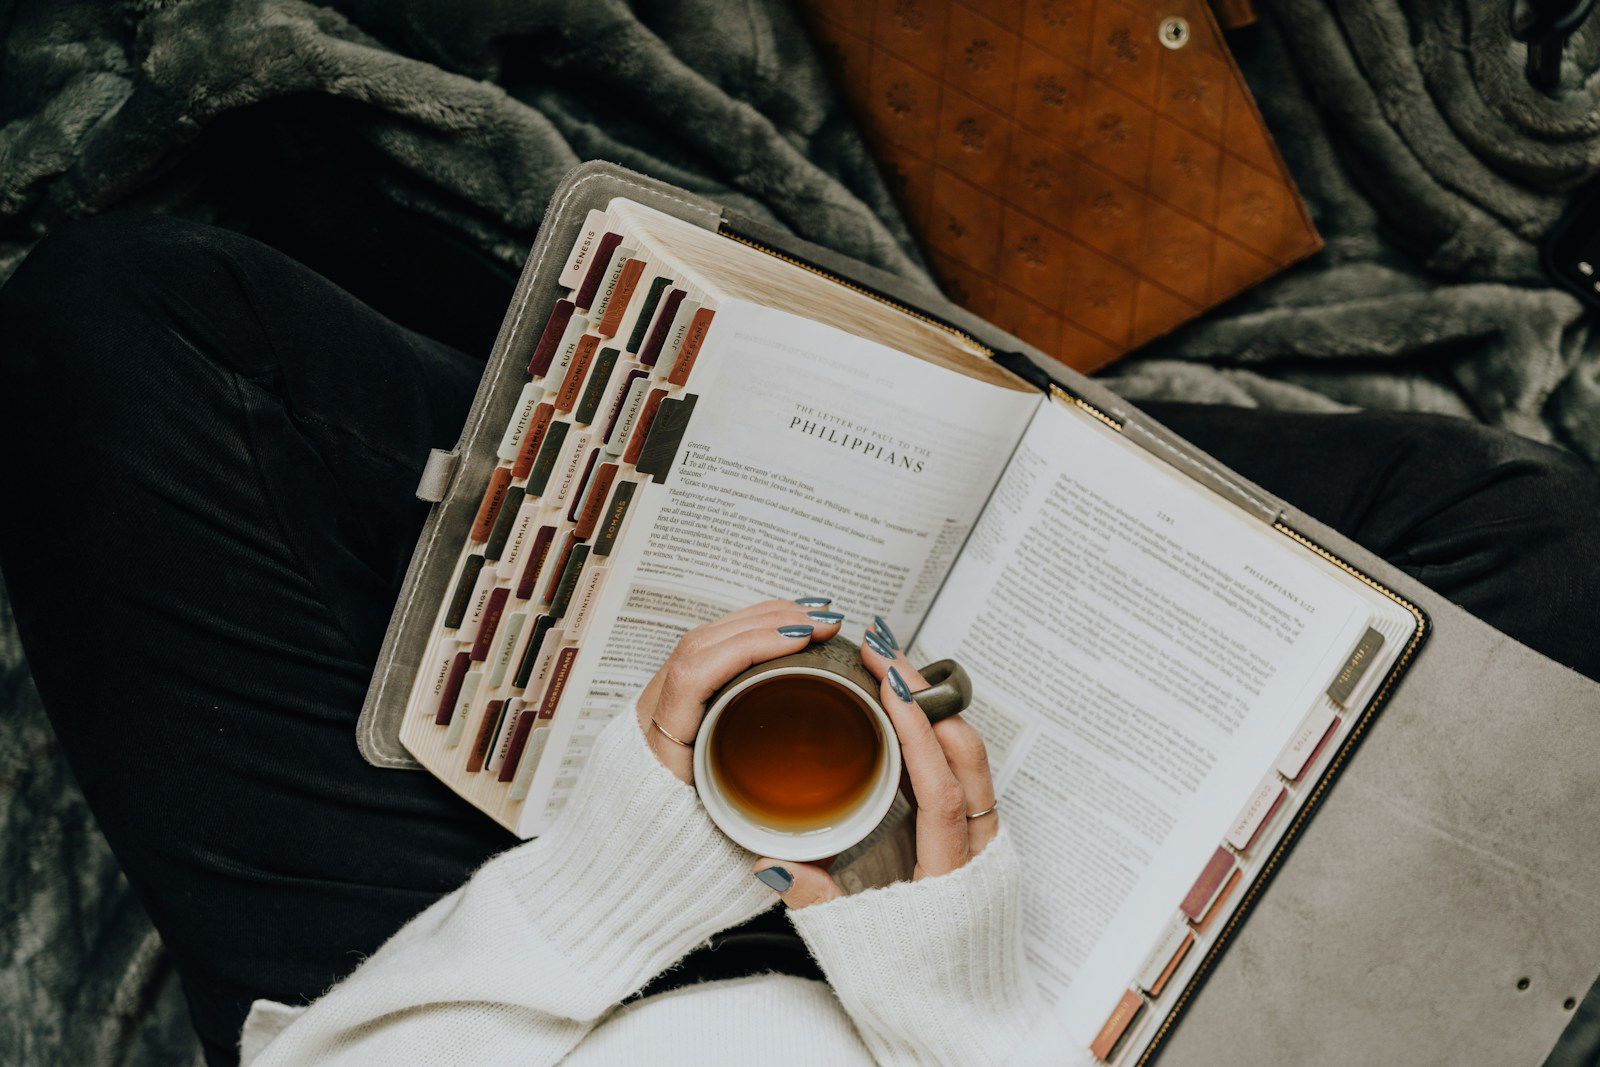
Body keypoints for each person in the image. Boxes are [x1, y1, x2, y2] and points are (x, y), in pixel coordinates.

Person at [1, 213, 1598, 1065]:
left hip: (445, 981)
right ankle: (954, 455)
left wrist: (610, 875)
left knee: (127, 318)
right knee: (1534, 560)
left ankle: (600, 369)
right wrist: (953, 1007)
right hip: (999, 1021)